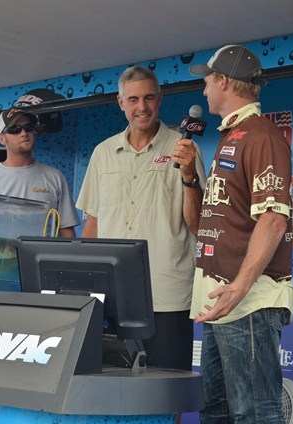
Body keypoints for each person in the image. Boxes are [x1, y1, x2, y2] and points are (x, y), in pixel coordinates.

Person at [173, 45, 293, 423]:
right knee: (216, 411)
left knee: (255, 413)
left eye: (207, 80)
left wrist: (239, 287)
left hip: (247, 302)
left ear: (224, 81)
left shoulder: (261, 136)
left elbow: (273, 220)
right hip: (219, 300)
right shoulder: (232, 136)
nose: (204, 89)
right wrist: (189, 177)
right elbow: (200, 226)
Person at [76, 66, 206, 371]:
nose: (142, 107)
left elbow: (199, 224)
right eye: (133, 99)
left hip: (167, 295)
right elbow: (92, 226)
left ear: (160, 100)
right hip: (112, 297)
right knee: (111, 385)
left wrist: (188, 175)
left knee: (167, 386)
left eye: (148, 98)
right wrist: (85, 287)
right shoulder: (102, 153)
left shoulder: (185, 149)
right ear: (121, 103)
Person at [0, 108, 80, 237]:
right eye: (14, 129)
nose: (24, 133)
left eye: (28, 127)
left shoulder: (55, 177)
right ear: (2, 139)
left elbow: (66, 230)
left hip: (42, 251)